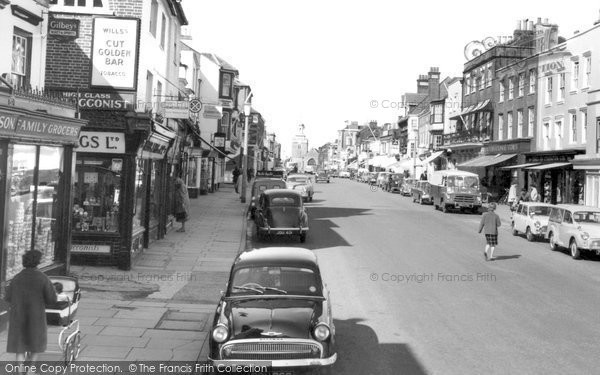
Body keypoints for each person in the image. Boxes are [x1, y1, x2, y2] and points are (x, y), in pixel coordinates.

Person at [5, 250, 58, 365]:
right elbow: (52, 299)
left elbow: (8, 297)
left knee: (19, 344)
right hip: (36, 316)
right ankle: (30, 370)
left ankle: (20, 369)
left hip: (18, 315)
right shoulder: (43, 278)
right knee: (35, 342)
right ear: (37, 262)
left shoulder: (17, 278)